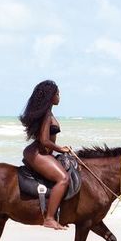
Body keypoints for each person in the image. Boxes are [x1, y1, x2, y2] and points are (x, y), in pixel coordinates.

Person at [19, 79, 74, 231]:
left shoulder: (48, 113)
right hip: (37, 153)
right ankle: (49, 219)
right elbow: (44, 140)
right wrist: (60, 149)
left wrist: (59, 148)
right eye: (57, 94)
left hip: (39, 151)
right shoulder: (47, 114)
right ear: (51, 96)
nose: (59, 97)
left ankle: (61, 213)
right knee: (63, 179)